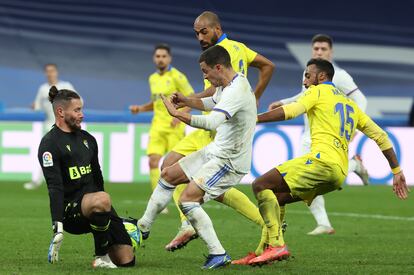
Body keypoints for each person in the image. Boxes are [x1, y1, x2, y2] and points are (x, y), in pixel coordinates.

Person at [239, 58, 409, 266]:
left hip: (321, 163)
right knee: (278, 198)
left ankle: (276, 245)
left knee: (260, 185)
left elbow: (291, 111)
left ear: (321, 76)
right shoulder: (350, 105)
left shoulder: (317, 91)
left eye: (308, 76)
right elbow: (381, 136)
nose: (305, 82)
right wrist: (396, 170)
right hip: (338, 174)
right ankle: (262, 251)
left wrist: (254, 118)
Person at [162, 10, 275, 253]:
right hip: (217, 122)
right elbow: (267, 66)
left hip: (219, 127)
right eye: (196, 34)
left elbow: (216, 94)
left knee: (181, 172)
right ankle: (264, 224)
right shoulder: (239, 47)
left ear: (217, 29)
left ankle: (191, 224)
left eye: (204, 31)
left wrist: (188, 100)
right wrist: (254, 97)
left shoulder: (226, 53)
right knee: (179, 172)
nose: (200, 37)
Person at [137, 45, 257, 269]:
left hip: (229, 161)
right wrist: (187, 101)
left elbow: (212, 121)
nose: (204, 76)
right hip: (215, 151)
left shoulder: (237, 90)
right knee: (168, 174)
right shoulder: (227, 84)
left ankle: (218, 253)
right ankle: (142, 227)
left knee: (187, 200)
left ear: (219, 67)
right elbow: (211, 103)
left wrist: (178, 114)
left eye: (205, 71)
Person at [269, 34, 369, 235]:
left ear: (331, 52)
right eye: (316, 49)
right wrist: (284, 102)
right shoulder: (309, 73)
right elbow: (304, 96)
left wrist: (355, 130)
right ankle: (324, 223)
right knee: (309, 179)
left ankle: (353, 167)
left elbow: (361, 100)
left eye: (323, 49)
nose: (319, 52)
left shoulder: (340, 76)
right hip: (308, 135)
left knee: (310, 178)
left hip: (328, 136)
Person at [38, 86, 135, 268]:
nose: (82, 114)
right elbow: (55, 187)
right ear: (60, 112)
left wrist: (108, 215)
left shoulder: (88, 139)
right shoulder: (49, 144)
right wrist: (57, 226)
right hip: (71, 212)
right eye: (77, 110)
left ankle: (116, 228)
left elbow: (97, 178)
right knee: (102, 199)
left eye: (81, 109)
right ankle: (101, 258)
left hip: (96, 205)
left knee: (126, 261)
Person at [130, 44, 194, 214]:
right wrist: (141, 109)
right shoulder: (152, 78)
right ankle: (158, 201)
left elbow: (192, 99)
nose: (160, 59)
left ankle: (184, 200)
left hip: (174, 127)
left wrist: (180, 116)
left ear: (169, 58)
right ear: (154, 58)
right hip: (157, 126)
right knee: (152, 160)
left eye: (164, 56)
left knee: (176, 167)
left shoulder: (178, 76)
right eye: (158, 56)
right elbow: (157, 103)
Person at [25, 63, 75, 190]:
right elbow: (37, 106)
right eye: (47, 71)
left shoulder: (66, 86)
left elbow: (79, 101)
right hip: (49, 127)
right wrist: (33, 106)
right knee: (46, 154)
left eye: (52, 70)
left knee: (68, 154)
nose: (50, 73)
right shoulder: (43, 89)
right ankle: (37, 180)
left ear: (56, 72)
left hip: (66, 127)